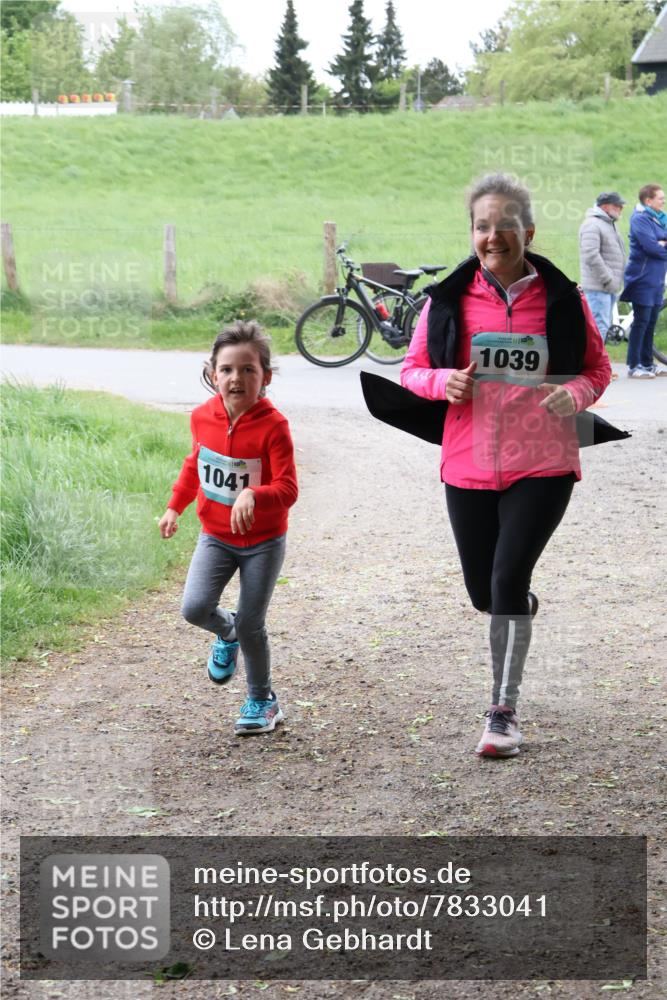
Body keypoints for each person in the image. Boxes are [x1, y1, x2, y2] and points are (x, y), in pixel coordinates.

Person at [361, 173, 629, 759]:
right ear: (473, 233)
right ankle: (516, 609)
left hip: (544, 462)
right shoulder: (446, 302)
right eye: (483, 226)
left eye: (505, 226)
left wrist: (575, 396)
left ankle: (502, 712)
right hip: (469, 465)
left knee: (509, 577)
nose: (493, 237)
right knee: (486, 593)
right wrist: (443, 381)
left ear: (527, 232)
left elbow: (597, 369)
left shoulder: (562, 300)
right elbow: (411, 371)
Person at [159, 320, 298, 735]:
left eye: (248, 369)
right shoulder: (203, 418)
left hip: (263, 542)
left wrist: (254, 495)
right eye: (227, 370)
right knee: (194, 608)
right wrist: (174, 507)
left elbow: (288, 488)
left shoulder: (274, 426)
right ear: (212, 373)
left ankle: (261, 700)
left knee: (254, 622)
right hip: (215, 537)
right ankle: (227, 633)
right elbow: (193, 465)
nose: (236, 378)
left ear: (266, 377)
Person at [620, 183, 667, 378]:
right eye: (660, 198)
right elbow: (651, 247)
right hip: (642, 278)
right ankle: (634, 365)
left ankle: (648, 363)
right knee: (641, 322)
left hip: (656, 279)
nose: (663, 201)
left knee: (651, 322)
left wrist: (662, 242)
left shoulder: (659, 219)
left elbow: (659, 245)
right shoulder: (640, 219)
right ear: (648, 201)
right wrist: (660, 244)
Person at [578, 192, 626, 344]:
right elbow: (591, 255)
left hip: (606, 287)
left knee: (600, 329)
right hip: (598, 287)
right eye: (617, 205)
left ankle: (599, 366)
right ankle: (595, 367)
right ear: (605, 206)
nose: (620, 209)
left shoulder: (607, 223)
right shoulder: (593, 224)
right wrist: (607, 279)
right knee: (598, 330)